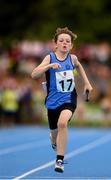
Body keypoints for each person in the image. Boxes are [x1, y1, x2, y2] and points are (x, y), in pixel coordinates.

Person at [31, 27, 93, 173]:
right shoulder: (49, 58)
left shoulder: (73, 58)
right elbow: (34, 74)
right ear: (56, 44)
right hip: (52, 101)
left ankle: (59, 160)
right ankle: (53, 141)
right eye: (61, 41)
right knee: (54, 134)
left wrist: (87, 83)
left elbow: (79, 66)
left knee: (62, 123)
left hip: (69, 98)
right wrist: (49, 66)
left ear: (71, 45)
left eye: (68, 41)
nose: (65, 43)